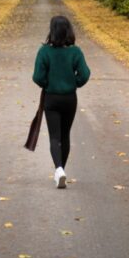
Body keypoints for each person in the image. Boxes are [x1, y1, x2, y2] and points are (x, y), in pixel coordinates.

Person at [32, 15, 91, 188]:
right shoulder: (75, 52)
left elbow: (37, 77)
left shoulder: (44, 52)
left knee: (54, 137)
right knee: (65, 136)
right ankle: (61, 171)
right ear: (68, 31)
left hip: (52, 98)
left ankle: (59, 170)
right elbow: (85, 75)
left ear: (52, 31)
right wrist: (74, 83)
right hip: (69, 99)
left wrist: (48, 83)